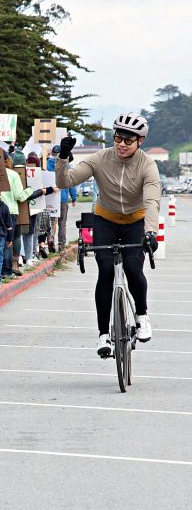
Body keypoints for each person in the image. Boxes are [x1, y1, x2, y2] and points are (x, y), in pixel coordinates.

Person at [56, 113, 161, 356]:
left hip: (136, 221)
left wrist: (151, 232)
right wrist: (62, 157)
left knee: (134, 267)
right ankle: (104, 336)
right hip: (106, 220)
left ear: (140, 141)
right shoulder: (99, 158)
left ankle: (142, 317)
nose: (122, 144)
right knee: (105, 271)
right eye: (118, 138)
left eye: (128, 139)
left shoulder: (148, 165)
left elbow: (152, 200)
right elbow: (66, 182)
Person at [47, 145, 77, 251]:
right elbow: (71, 182)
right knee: (62, 223)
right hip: (63, 198)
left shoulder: (46, 164)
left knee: (51, 221)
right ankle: (61, 244)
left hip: (50, 197)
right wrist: (74, 197)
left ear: (52, 153)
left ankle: (50, 238)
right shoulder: (66, 166)